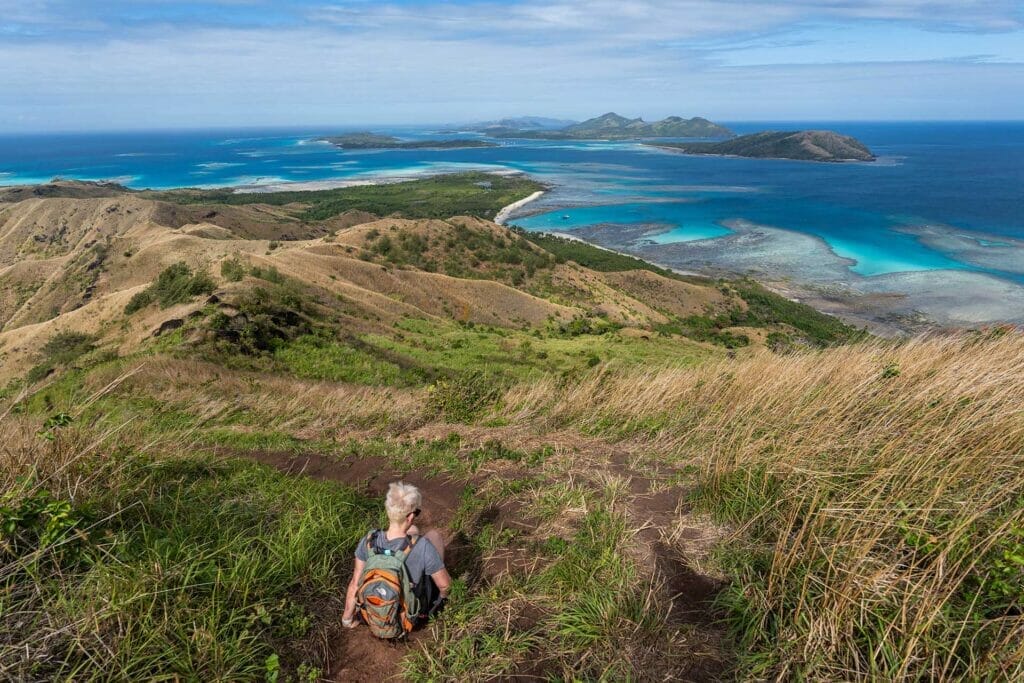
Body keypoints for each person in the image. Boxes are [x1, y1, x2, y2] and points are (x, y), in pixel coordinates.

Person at [342, 481, 451, 630]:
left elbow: (355, 583)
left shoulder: (368, 541)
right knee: (434, 536)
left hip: (374, 613)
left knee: (413, 530)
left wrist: (347, 619)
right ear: (410, 516)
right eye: (416, 512)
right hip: (409, 618)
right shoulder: (423, 546)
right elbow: (445, 586)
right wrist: (442, 600)